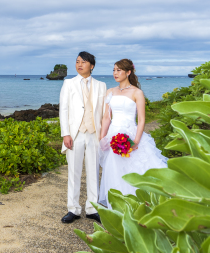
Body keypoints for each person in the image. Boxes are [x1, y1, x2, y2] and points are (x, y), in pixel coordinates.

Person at [98, 59, 167, 206]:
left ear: (128, 72)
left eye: (119, 70)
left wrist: (136, 141)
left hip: (130, 133)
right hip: (113, 135)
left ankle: (137, 204)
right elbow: (106, 118)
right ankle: (118, 206)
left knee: (134, 169)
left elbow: (141, 119)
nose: (115, 73)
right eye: (114, 70)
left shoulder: (137, 92)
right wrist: (102, 137)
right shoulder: (110, 92)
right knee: (114, 171)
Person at [59, 52, 107, 224]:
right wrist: (66, 133)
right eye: (77, 62)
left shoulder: (101, 85)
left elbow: (104, 112)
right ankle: (73, 209)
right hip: (75, 133)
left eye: (83, 62)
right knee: (74, 172)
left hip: (94, 133)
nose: (79, 65)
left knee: (94, 171)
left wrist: (104, 135)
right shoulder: (68, 83)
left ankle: (92, 208)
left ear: (92, 66)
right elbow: (63, 109)